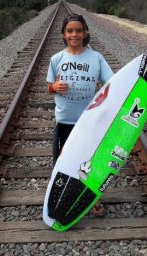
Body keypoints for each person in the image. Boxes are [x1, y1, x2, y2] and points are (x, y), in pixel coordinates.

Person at [46, 13, 114, 216]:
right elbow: (49, 86)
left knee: (88, 162)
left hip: (88, 121)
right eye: (70, 31)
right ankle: (59, 199)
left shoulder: (96, 58)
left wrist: (142, 99)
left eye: (78, 30)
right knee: (62, 161)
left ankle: (91, 199)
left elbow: (113, 84)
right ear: (64, 35)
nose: (74, 34)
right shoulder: (56, 59)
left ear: (85, 33)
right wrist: (55, 87)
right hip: (65, 121)